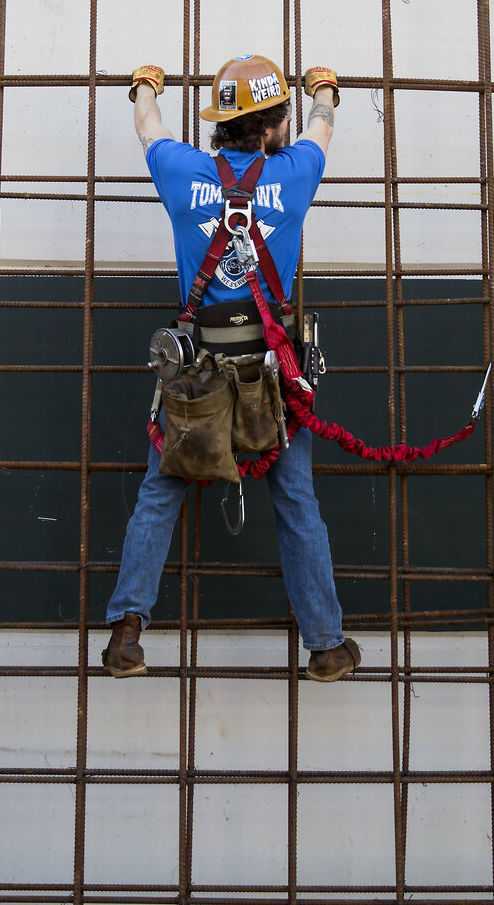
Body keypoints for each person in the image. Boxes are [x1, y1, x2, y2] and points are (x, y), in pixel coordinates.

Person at [99, 55, 360, 682]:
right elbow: (322, 126)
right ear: (273, 128)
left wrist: (144, 86)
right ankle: (325, 646)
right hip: (273, 378)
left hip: (198, 376)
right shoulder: (295, 173)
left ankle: (127, 635)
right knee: (296, 501)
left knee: (161, 493)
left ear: (221, 121)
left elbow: (148, 126)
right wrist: (325, 89)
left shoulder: (181, 170)